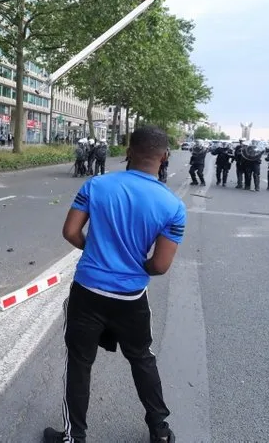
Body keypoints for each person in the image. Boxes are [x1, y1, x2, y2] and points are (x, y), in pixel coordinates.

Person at [44, 126, 184, 443]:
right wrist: (136, 264)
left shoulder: (97, 185)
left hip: (88, 292)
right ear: (164, 157)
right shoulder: (173, 206)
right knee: (142, 358)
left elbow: (71, 232)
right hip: (132, 297)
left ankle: (74, 437)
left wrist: (95, 250)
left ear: (129, 151)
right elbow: (160, 265)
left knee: (79, 362)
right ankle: (160, 431)